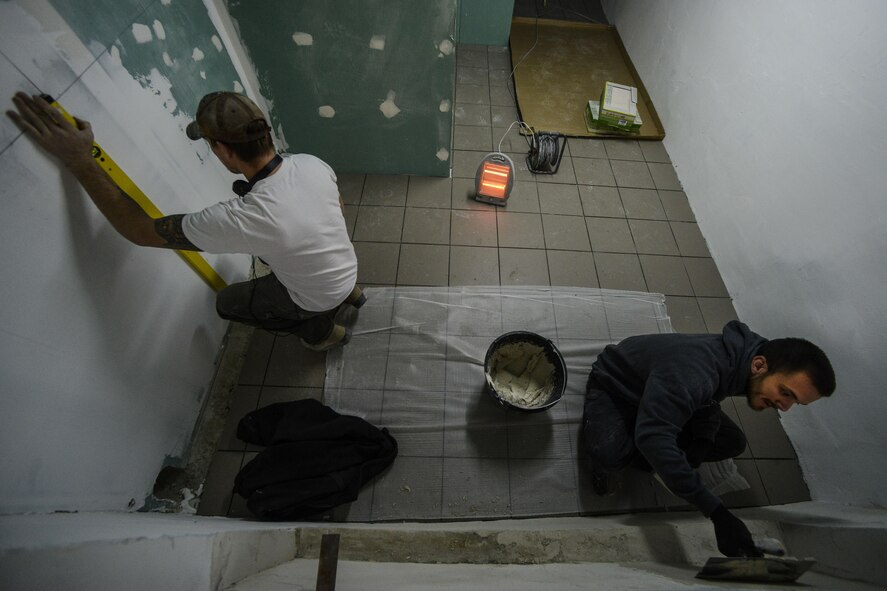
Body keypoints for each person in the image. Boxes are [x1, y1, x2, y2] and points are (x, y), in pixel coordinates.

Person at [7, 91, 363, 351]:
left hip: (315, 295)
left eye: (210, 143)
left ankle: (321, 333)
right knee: (283, 258)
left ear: (222, 150)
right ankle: (352, 295)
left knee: (228, 303)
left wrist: (80, 160)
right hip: (346, 266)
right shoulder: (311, 164)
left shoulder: (241, 218)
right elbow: (338, 210)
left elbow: (138, 230)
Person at [582, 320, 835, 557]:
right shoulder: (698, 371)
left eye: (795, 402)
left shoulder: (749, 359)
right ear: (759, 365)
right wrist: (717, 513)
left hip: (666, 385)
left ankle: (659, 433)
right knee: (610, 455)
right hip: (619, 386)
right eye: (785, 393)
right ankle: (637, 447)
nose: (785, 407)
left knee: (731, 442)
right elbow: (654, 436)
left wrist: (701, 442)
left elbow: (709, 399)